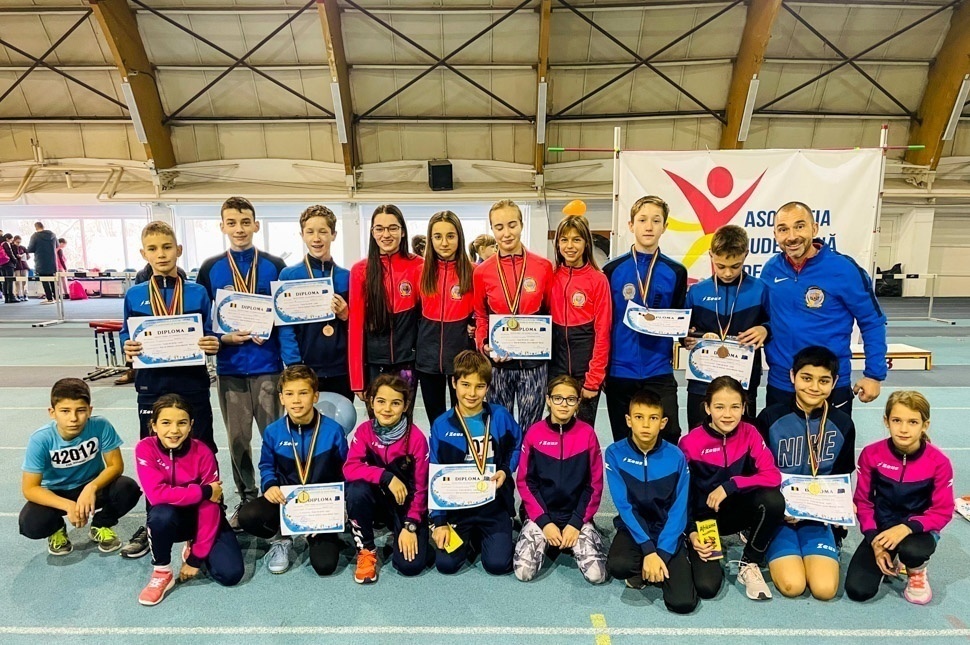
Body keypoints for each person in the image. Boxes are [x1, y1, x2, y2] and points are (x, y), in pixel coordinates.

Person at [119, 221, 221, 559]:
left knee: (203, 449)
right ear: (143, 253)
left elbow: (210, 331)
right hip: (152, 386)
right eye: (153, 249)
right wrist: (127, 347)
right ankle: (155, 521)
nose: (161, 254)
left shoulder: (197, 292)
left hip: (192, 384)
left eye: (166, 247)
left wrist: (212, 342)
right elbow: (126, 334)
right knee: (155, 454)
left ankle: (207, 518)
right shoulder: (134, 295)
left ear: (178, 249)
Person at [195, 197, 288, 527]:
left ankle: (279, 497)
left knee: (275, 437)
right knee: (238, 440)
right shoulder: (210, 268)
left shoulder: (275, 265)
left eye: (245, 222)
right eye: (232, 223)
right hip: (230, 368)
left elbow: (285, 312)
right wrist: (223, 339)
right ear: (222, 226)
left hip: (269, 366)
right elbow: (201, 320)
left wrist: (270, 326)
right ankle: (247, 498)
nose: (239, 229)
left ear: (256, 225)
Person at [761, 201, 887, 416]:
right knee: (777, 439)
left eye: (799, 226)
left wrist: (874, 374)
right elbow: (764, 318)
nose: (791, 236)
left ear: (814, 228)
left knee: (831, 439)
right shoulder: (771, 269)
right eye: (783, 229)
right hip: (781, 383)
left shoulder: (844, 269)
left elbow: (872, 321)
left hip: (829, 384)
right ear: (775, 235)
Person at [757, 345, 856, 600]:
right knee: (793, 586)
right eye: (806, 378)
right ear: (793, 376)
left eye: (823, 381)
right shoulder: (770, 417)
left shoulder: (843, 423)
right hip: (781, 516)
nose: (814, 387)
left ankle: (828, 540)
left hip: (819, 517)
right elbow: (758, 473)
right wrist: (778, 509)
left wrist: (839, 510)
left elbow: (843, 474)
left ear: (834, 382)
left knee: (824, 590)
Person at [679, 376, 785, 601]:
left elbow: (773, 476)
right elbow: (682, 494)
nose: (727, 414)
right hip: (705, 520)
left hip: (738, 514)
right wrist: (691, 530)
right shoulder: (690, 443)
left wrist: (731, 485)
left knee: (773, 500)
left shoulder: (750, 433)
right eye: (719, 407)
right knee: (707, 587)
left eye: (735, 407)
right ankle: (689, 548)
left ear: (744, 407)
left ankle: (750, 562)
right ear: (707, 408)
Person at [845, 391, 955, 605]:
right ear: (886, 421)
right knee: (858, 591)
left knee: (913, 550)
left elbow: (942, 511)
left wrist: (906, 528)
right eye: (897, 420)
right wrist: (875, 541)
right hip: (882, 529)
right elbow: (863, 503)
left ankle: (916, 569)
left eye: (913, 422)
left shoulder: (939, 462)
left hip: (918, 531)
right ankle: (891, 555)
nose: (904, 429)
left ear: (925, 425)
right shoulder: (871, 454)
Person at [237, 365, 348, 576]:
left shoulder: (333, 431)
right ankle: (281, 539)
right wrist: (270, 485)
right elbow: (266, 466)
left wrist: (340, 506)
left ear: (315, 396)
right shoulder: (273, 432)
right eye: (289, 394)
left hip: (320, 506)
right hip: (286, 501)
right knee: (248, 516)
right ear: (281, 398)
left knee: (325, 566)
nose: (296, 400)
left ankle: (322, 534)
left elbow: (346, 469)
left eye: (303, 393)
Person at [135, 394, 244, 606]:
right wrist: (203, 491)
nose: (174, 430)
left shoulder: (203, 452)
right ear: (154, 425)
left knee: (230, 575)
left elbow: (212, 505)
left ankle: (193, 543)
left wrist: (195, 558)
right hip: (169, 519)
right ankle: (162, 573)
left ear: (191, 425)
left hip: (201, 517)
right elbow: (157, 495)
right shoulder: (145, 448)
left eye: (182, 423)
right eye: (166, 423)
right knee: (160, 515)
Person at [19, 378, 141, 556]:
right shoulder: (41, 439)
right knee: (31, 524)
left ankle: (101, 524)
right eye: (65, 411)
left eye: (81, 410)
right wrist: (68, 505)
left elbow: (115, 466)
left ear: (90, 410)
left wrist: (91, 487)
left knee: (128, 488)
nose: (73, 418)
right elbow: (30, 488)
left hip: (91, 486)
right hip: (56, 492)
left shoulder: (101, 426)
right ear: (52, 412)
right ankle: (57, 529)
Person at [429, 350, 522, 575]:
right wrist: (439, 522)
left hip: (493, 505)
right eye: (465, 385)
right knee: (446, 565)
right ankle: (472, 537)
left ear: (487, 387)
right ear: (454, 383)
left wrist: (506, 470)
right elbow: (435, 474)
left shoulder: (500, 416)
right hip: (458, 508)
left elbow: (517, 445)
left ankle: (488, 533)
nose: (472, 393)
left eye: (479, 386)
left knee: (497, 565)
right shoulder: (441, 425)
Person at [603, 196, 688, 443]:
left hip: (658, 368)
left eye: (656, 220)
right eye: (642, 220)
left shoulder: (676, 272)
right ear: (631, 225)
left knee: (669, 435)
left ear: (665, 226)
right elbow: (604, 323)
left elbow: (679, 319)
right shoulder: (611, 270)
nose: (649, 227)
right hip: (620, 370)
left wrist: (690, 337)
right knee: (624, 439)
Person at [604, 389, 697, 614]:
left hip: (667, 529)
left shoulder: (676, 456)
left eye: (653, 418)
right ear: (628, 420)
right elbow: (624, 506)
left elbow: (679, 508)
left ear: (663, 423)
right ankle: (644, 568)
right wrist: (648, 550)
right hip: (633, 528)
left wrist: (661, 553)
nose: (645, 425)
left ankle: (661, 564)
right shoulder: (614, 453)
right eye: (639, 417)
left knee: (682, 603)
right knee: (618, 566)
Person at [514, 375, 607, 584]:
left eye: (570, 399)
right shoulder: (534, 433)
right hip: (542, 514)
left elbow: (594, 485)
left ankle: (573, 537)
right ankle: (545, 537)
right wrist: (544, 522)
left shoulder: (588, 434)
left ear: (578, 402)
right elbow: (525, 483)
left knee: (597, 576)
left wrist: (576, 522)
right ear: (548, 400)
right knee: (523, 573)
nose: (564, 404)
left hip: (575, 516)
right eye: (558, 398)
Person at [473, 199, 554, 432]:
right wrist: (484, 345)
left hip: (534, 365)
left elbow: (549, 312)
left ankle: (528, 459)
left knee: (532, 429)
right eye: (499, 227)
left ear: (521, 224)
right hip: (499, 365)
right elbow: (480, 315)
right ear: (492, 229)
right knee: (500, 429)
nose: (506, 233)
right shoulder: (482, 272)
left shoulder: (543, 267)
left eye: (512, 225)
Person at [344, 374, 431, 584]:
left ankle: (405, 530)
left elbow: (421, 488)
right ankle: (366, 549)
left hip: (404, 504)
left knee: (410, 566)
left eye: (395, 403)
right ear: (371, 402)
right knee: (356, 490)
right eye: (381, 401)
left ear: (406, 406)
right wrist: (385, 476)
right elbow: (349, 468)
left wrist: (411, 525)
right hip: (376, 501)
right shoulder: (364, 432)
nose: (387, 409)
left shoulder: (416, 438)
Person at [683, 225, 770, 429]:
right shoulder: (696, 292)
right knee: (698, 438)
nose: (728, 273)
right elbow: (684, 328)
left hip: (743, 381)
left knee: (741, 440)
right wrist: (685, 338)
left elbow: (775, 324)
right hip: (702, 382)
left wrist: (765, 329)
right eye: (720, 266)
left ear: (746, 255)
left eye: (735, 266)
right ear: (711, 255)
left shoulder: (760, 290)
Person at [348, 204, 423, 401]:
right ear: (372, 233)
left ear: (403, 231)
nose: (386, 234)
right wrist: (357, 379)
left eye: (393, 228)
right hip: (374, 364)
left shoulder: (419, 265)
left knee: (404, 416)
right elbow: (355, 327)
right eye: (379, 229)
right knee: (378, 417)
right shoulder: (360, 270)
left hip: (408, 362)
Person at [278, 205, 352, 399]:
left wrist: (347, 315)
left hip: (341, 369)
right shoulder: (289, 276)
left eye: (323, 232)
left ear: (333, 235)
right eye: (310, 232)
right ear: (302, 235)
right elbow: (285, 326)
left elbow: (358, 326)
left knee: (341, 417)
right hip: (304, 368)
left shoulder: (347, 277)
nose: (316, 238)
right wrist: (294, 365)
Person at [548, 215, 611, 425]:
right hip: (555, 370)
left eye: (576, 239)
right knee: (557, 426)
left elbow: (603, 332)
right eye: (564, 240)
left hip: (586, 373)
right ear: (557, 244)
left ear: (586, 243)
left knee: (583, 430)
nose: (570, 246)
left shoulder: (598, 280)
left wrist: (594, 378)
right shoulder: (551, 277)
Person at [416, 211, 476, 423]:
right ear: (430, 239)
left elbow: (482, 312)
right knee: (436, 420)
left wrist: (474, 326)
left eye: (450, 236)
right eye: (437, 236)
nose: (444, 243)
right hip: (428, 358)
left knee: (463, 419)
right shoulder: (420, 272)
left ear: (459, 237)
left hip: (462, 358)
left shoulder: (474, 272)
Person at [27, 221, 58, 304]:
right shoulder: (53, 235)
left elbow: (30, 249)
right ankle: (56, 297)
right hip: (52, 260)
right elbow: (57, 245)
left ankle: (49, 298)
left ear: (36, 228)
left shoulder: (35, 236)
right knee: (52, 279)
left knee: (44, 280)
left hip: (41, 261)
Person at [12, 235, 29, 301]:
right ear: (14, 241)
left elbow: (28, 255)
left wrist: (24, 256)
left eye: (20, 242)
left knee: (25, 281)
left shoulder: (23, 247)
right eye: (17, 242)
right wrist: (17, 256)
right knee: (17, 282)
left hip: (24, 265)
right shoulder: (12, 247)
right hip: (16, 266)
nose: (18, 244)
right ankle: (18, 294)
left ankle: (25, 294)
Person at [1, 233, 17, 304]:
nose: (11, 242)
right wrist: (15, 260)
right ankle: (11, 297)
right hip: (8, 264)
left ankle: (6, 298)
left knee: (4, 281)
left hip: (2, 264)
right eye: (11, 240)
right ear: (7, 238)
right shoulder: (6, 244)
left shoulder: (1, 244)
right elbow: (10, 253)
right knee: (10, 280)